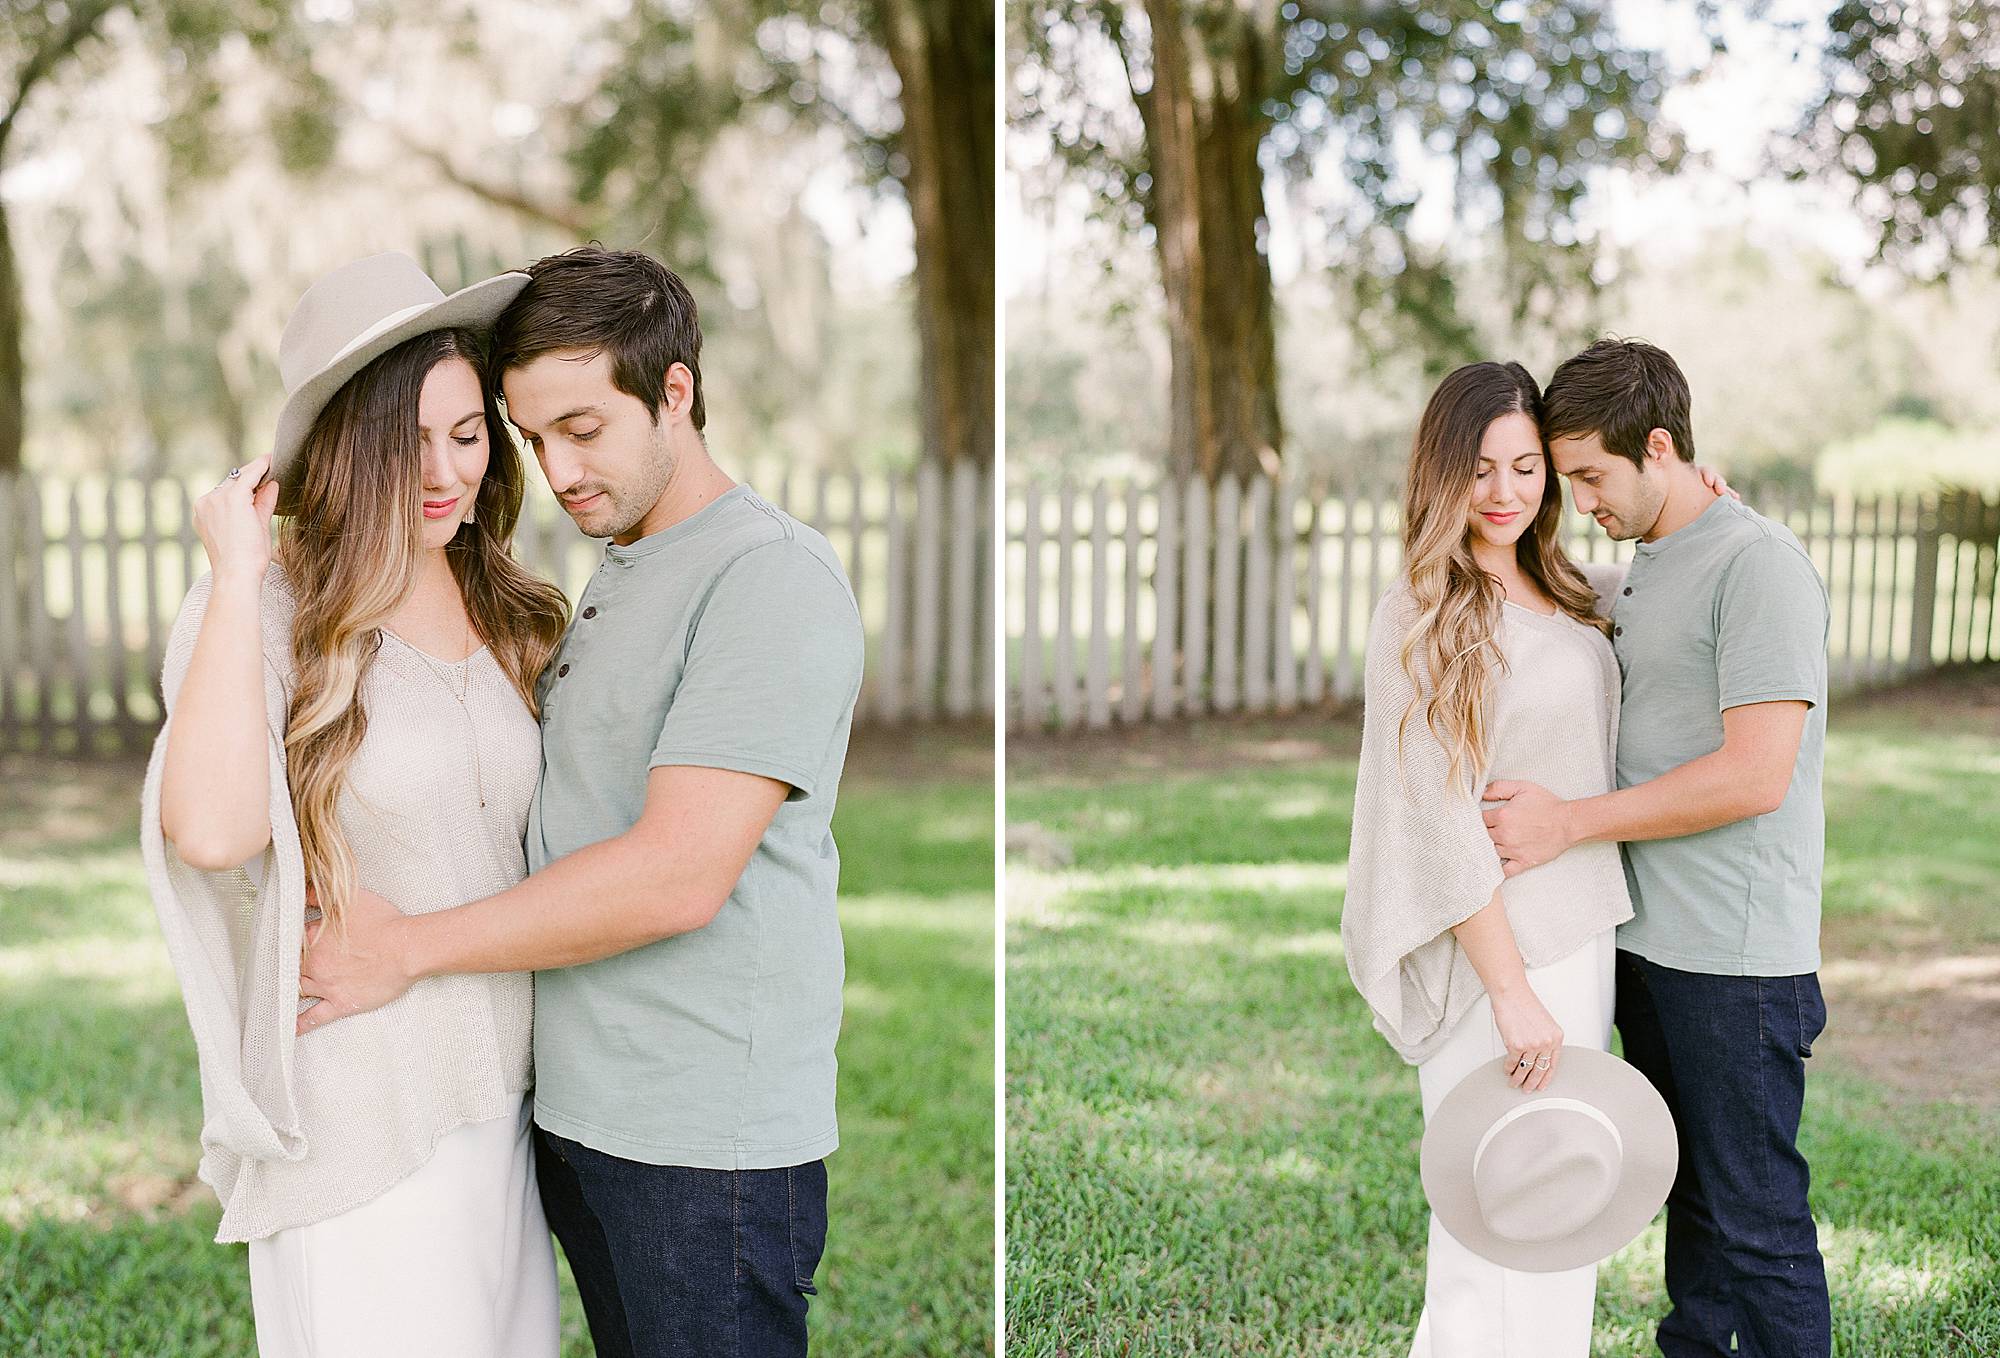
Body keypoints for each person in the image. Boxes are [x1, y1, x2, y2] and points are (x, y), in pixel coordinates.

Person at [291, 246, 866, 1358]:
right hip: (580, 1120)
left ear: (675, 391)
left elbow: (677, 870)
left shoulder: (768, 577)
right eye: (532, 437)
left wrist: (407, 946)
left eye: (585, 428)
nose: (559, 468)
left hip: (704, 1145)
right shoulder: (627, 568)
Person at [141, 252, 571, 1356]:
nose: (445, 471)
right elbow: (211, 830)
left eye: (467, 433)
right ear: (343, 440)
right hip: (367, 1108)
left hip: (505, 1097)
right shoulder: (267, 604)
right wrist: (236, 572)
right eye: (408, 439)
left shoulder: (507, 601)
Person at [1483, 338, 1832, 1358]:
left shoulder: (1757, 563)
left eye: (1590, 473)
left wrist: (1565, 821)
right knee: (1691, 1206)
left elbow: (1751, 774)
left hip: (1734, 961)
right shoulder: (1649, 562)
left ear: (1662, 447)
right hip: (1650, 945)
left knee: (1755, 1220)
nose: (1579, 496)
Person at [1342, 359, 1636, 1357]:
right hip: (1495, 952)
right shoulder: (1421, 612)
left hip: (1578, 933)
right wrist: (1509, 989)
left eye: (1523, 468)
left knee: (1562, 1210)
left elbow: (1663, 585)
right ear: (1439, 474)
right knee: (1492, 1213)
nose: (1504, 492)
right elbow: (1434, 820)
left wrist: (1705, 499)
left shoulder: (1563, 586)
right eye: (1478, 469)